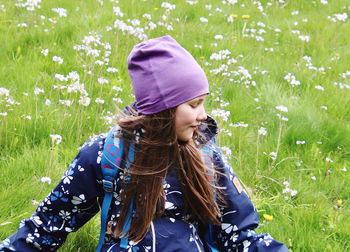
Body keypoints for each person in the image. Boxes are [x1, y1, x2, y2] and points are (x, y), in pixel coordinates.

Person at [0, 35, 289, 251]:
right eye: (193, 104)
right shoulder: (106, 156)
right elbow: (48, 226)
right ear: (163, 109)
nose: (203, 115)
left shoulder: (205, 153)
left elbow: (238, 232)